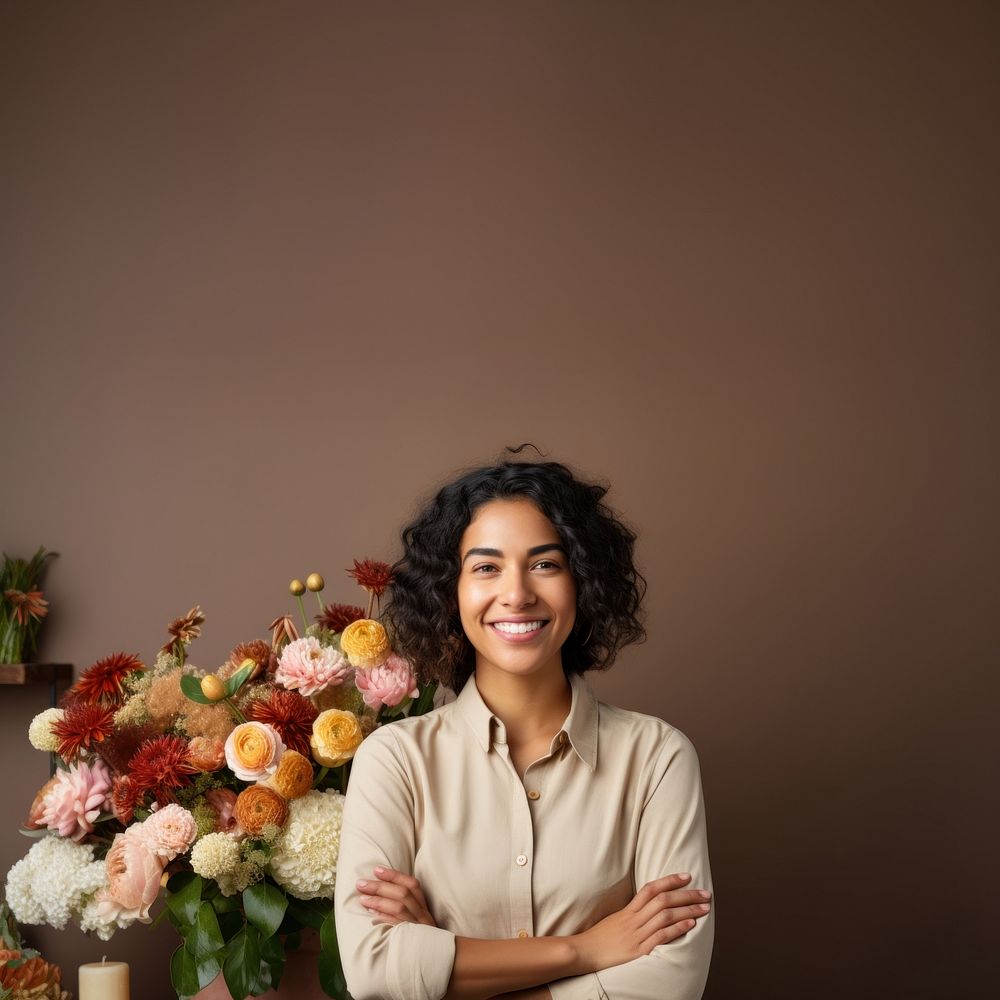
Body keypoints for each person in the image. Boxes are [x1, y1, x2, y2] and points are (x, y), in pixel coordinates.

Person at [334, 455, 714, 1000]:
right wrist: (584, 951)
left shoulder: (657, 758)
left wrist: (444, 960)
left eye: (545, 564)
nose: (516, 594)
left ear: (583, 582)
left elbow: (670, 983)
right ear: (450, 591)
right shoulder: (394, 760)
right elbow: (374, 972)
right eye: (486, 567)